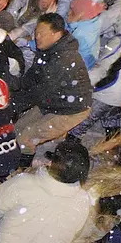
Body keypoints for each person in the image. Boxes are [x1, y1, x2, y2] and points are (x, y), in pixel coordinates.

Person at [9, 14, 94, 154]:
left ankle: (22, 166)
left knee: (25, 138)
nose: (37, 37)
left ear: (56, 34)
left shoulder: (63, 59)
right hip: (53, 99)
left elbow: (39, 93)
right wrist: (16, 85)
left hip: (72, 108)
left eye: (41, 34)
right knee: (18, 128)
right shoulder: (47, 50)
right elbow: (34, 73)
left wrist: (12, 103)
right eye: (36, 32)